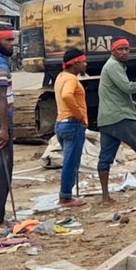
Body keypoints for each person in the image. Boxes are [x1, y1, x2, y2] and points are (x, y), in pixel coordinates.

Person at [97, 39, 136, 204]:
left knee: (105, 158)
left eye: (126, 49)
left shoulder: (111, 66)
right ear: (113, 51)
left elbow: (117, 95)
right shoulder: (114, 66)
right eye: (120, 49)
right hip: (120, 117)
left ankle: (105, 196)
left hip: (106, 120)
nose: (124, 52)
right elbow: (128, 88)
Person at [54, 48, 88, 207]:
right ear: (75, 64)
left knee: (69, 160)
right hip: (72, 124)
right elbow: (67, 95)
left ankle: (66, 194)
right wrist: (80, 114)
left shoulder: (61, 77)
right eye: (83, 62)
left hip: (61, 123)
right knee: (71, 162)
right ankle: (66, 197)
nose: (86, 64)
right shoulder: (72, 80)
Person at [0, 27, 14, 227]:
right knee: (3, 167)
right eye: (8, 40)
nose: (12, 44)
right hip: (1, 119)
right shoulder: (0, 64)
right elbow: (0, 98)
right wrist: (3, 128)